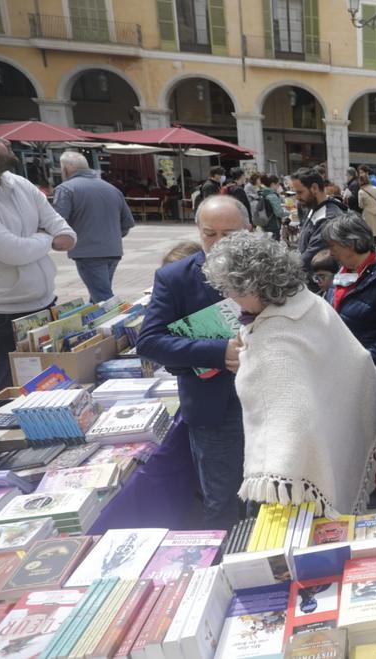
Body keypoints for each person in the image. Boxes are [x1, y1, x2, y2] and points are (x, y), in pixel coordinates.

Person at [202, 231, 376, 516]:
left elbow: (290, 422)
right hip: (335, 434)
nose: (228, 297)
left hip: (299, 481)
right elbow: (354, 362)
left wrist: (248, 364)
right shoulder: (306, 301)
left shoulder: (273, 338)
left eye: (230, 289)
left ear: (251, 287)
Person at [136, 195, 250, 528]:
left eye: (229, 235)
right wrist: (216, 351)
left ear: (248, 229)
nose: (218, 243)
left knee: (268, 490)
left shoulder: (266, 267)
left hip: (266, 400)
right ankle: (224, 563)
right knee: (222, 496)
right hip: (215, 406)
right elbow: (150, 341)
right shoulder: (175, 278)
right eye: (209, 234)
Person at [0, 120, 77, 394]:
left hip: (43, 307)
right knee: (11, 397)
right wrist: (45, 237)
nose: (5, 142)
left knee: (54, 392)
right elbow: (13, 252)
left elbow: (66, 234)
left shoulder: (17, 183)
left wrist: (37, 239)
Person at [323, 213, 376, 387]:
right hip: (341, 366)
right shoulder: (344, 270)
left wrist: (364, 365)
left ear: (351, 244)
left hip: (371, 374)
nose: (330, 252)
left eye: (333, 246)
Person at [52, 151, 135, 303]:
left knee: (103, 298)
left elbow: (57, 222)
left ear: (65, 170)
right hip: (113, 250)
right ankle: (100, 324)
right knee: (99, 294)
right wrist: (110, 236)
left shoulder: (66, 189)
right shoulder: (112, 189)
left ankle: (124, 323)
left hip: (88, 252)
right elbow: (127, 223)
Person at [291, 168, 344, 277]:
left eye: (300, 192)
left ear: (314, 188)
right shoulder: (313, 208)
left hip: (318, 284)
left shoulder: (328, 219)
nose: (297, 197)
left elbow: (308, 259)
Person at [356, 167, 376, 247]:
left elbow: (361, 205)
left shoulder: (361, 192)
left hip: (368, 214)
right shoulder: (375, 188)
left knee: (370, 232)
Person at [258, 175, 287, 241]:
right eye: (278, 184)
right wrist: (288, 213)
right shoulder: (272, 196)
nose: (279, 186)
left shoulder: (262, 193)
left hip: (265, 223)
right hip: (273, 224)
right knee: (275, 244)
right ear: (273, 184)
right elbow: (279, 213)